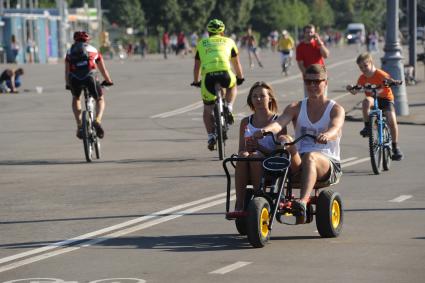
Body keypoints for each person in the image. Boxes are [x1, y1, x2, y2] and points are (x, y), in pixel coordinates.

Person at [253, 64, 344, 223]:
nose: (312, 86)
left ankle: (302, 202)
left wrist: (327, 135)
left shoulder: (335, 108)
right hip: (299, 162)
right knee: (284, 140)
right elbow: (279, 124)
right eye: (308, 82)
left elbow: (335, 127)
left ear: (325, 82)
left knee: (311, 156)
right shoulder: (295, 107)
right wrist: (265, 130)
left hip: (327, 162)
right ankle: (270, 196)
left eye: (317, 82)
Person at [227, 81, 287, 218]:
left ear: (269, 98)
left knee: (254, 156)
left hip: (270, 164)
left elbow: (279, 154)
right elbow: (242, 148)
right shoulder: (246, 122)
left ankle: (258, 197)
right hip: (250, 161)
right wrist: (246, 151)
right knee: (242, 155)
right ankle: (240, 203)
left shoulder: (278, 121)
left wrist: (259, 147)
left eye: (262, 96)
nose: (258, 99)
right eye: (255, 96)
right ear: (250, 99)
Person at [192, 19, 245, 150]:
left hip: (208, 77)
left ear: (208, 32)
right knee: (232, 86)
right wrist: (240, 77)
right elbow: (236, 63)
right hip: (225, 74)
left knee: (207, 109)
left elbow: (196, 67)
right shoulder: (229, 41)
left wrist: (196, 81)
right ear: (222, 32)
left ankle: (210, 136)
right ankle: (229, 106)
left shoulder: (201, 43)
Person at [346, 52, 404, 161]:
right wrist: (350, 88)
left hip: (386, 99)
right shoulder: (362, 79)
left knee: (391, 120)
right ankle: (367, 126)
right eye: (361, 67)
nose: (363, 69)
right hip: (373, 99)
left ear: (371, 63)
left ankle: (396, 147)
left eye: (365, 66)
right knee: (366, 102)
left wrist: (394, 82)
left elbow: (389, 80)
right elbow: (355, 91)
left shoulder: (380, 74)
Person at [65, 31, 113, 140]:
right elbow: (103, 70)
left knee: (76, 99)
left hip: (75, 79)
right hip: (89, 78)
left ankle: (80, 126)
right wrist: (108, 81)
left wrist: (68, 84)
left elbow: (67, 72)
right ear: (88, 40)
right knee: (100, 99)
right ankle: (97, 120)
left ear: (75, 40)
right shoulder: (93, 50)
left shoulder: (70, 52)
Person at [296, 24, 329, 97]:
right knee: (309, 99)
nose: (309, 34)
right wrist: (307, 75)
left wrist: (320, 43)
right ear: (304, 33)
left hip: (321, 75)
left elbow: (326, 55)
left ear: (315, 33)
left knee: (322, 98)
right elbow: (300, 63)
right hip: (309, 77)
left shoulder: (318, 44)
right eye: (307, 32)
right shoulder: (300, 47)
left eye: (311, 32)